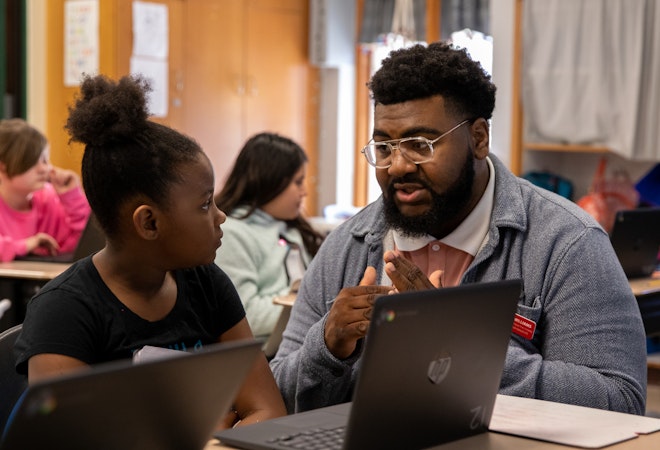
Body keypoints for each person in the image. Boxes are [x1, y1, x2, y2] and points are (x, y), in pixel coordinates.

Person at [270, 42, 647, 415]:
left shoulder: (566, 242)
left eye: (420, 145)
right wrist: (327, 348)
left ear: (479, 138)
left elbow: (619, 400)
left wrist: (457, 346)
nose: (398, 166)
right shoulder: (347, 246)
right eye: (384, 147)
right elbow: (273, 399)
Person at [14, 74, 286, 428]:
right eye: (205, 205)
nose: (221, 215)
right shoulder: (64, 312)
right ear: (149, 223)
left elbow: (268, 412)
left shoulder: (208, 284)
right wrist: (208, 428)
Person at [215, 133, 324, 339]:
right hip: (266, 355)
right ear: (270, 181)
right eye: (298, 182)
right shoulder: (231, 233)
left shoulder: (291, 228)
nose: (304, 192)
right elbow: (246, 317)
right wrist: (311, 305)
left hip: (301, 341)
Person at [0, 118, 91, 262]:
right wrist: (27, 245)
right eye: (32, 161)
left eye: (45, 160)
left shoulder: (49, 198)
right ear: (2, 167)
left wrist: (72, 197)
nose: (45, 168)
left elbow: (81, 246)